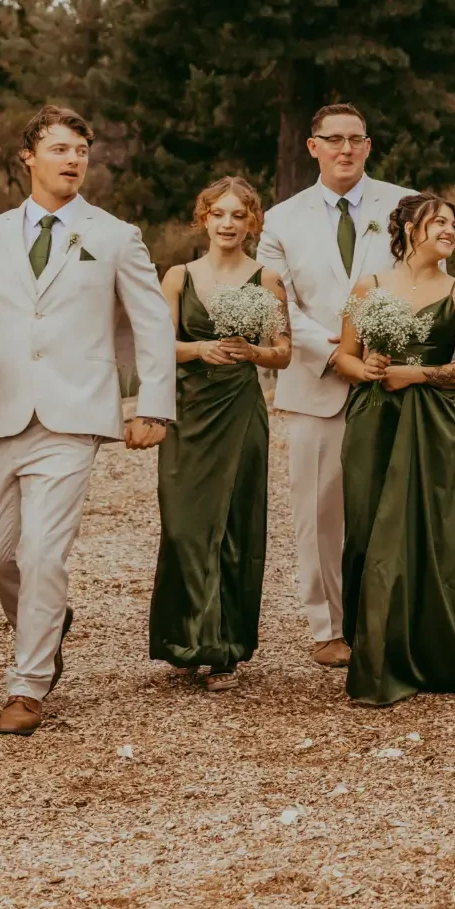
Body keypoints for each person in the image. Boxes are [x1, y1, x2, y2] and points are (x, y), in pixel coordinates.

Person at [0, 105, 178, 737]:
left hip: (75, 415)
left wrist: (153, 404)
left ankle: (28, 684)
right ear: (29, 156)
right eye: (60, 149)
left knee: (44, 550)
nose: (73, 160)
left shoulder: (116, 235)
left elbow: (152, 323)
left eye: (81, 151)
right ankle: (48, 619)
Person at [258, 104, 416, 670]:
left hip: (392, 377)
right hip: (315, 379)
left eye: (355, 140)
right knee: (319, 510)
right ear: (312, 146)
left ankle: (388, 618)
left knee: (393, 504)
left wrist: (387, 348)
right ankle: (327, 626)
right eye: (334, 140)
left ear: (369, 146)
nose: (345, 149)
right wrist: (334, 353)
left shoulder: (406, 203)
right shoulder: (280, 219)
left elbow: (422, 280)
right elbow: (280, 304)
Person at [334, 194, 455, 706]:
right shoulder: (369, 288)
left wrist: (415, 373)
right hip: (374, 417)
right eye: (437, 221)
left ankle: (428, 650)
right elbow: (343, 358)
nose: (449, 228)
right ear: (407, 230)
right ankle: (373, 645)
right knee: (367, 529)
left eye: (452, 222)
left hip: (432, 420)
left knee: (428, 527)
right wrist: (370, 369)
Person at [148, 177, 290, 688]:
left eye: (238, 215)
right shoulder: (178, 277)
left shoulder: (267, 279)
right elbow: (159, 346)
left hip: (239, 409)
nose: (228, 224)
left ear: (252, 222)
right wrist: (198, 350)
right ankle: (185, 637)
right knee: (184, 522)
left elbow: (283, 352)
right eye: (219, 214)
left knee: (234, 523)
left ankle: (225, 647)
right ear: (202, 218)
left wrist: (252, 352)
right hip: (189, 411)